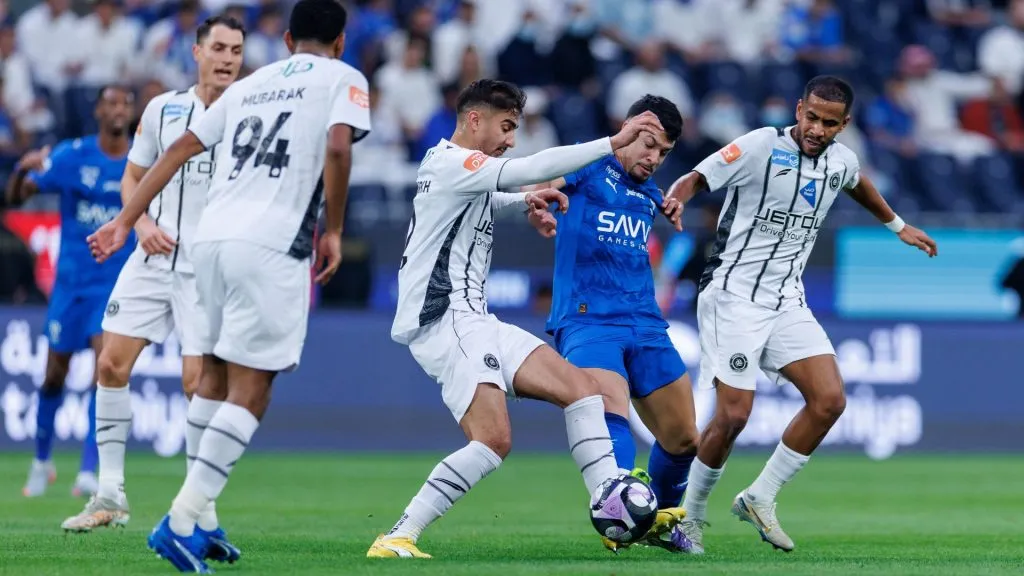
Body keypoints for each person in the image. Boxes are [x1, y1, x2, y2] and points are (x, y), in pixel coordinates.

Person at [87, 0, 370, 571]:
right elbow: (338, 146)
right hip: (271, 244)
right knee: (253, 387)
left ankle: (203, 523)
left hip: (209, 242)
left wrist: (123, 221)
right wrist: (335, 230)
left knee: (211, 380)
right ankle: (180, 522)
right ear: (340, 42)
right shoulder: (344, 77)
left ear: (286, 40)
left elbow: (178, 150)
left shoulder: (250, 85)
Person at [366, 79, 664, 559]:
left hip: (475, 319)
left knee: (582, 390)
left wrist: (526, 201)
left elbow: (487, 198)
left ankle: (611, 503)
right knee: (493, 440)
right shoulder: (452, 162)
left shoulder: (453, 169)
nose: (510, 139)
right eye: (505, 127)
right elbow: (530, 168)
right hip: (447, 320)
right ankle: (399, 535)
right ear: (474, 119)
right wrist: (613, 142)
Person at [665, 76, 938, 554]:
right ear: (798, 110)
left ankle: (759, 497)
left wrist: (897, 225)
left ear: (843, 125)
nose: (817, 129)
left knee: (829, 400)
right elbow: (699, 176)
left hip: (787, 298)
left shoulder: (841, 160)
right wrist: (678, 198)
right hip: (733, 295)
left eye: (829, 123)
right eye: (811, 117)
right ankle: (690, 518)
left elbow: (857, 183)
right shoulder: (760, 145)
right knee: (733, 415)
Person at [59, 16, 245, 559]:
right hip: (151, 254)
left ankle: (200, 512)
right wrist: (139, 224)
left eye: (235, 50)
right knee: (110, 365)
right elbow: (133, 177)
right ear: (197, 52)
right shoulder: (162, 109)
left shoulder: (248, 116)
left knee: (196, 384)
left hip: (206, 266)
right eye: (218, 48)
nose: (227, 58)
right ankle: (109, 495)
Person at [535, 94, 698, 553]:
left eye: (663, 151)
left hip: (645, 322)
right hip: (589, 320)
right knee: (611, 417)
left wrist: (670, 204)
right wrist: (538, 203)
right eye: (648, 144)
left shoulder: (650, 194)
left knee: (684, 439)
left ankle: (654, 523)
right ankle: (619, 515)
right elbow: (542, 179)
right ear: (627, 131)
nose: (654, 158)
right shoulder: (587, 163)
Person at [5, 85, 135, 499]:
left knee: (105, 370)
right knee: (53, 375)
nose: (119, 109)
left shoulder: (142, 162)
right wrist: (22, 171)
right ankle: (42, 462)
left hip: (113, 287)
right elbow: (16, 197)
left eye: (125, 103)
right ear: (98, 111)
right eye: (111, 103)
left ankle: (88, 471)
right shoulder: (72, 155)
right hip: (71, 285)